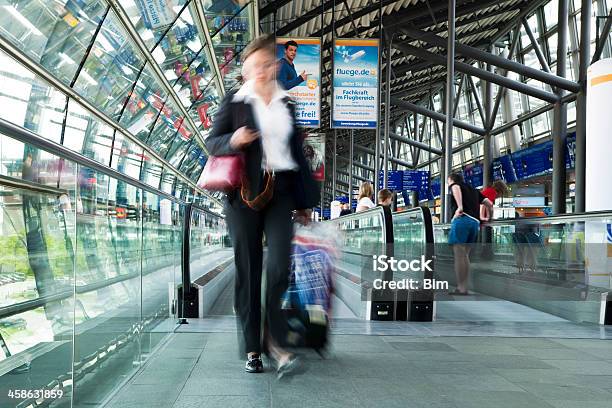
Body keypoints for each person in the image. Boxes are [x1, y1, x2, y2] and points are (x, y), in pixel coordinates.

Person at [204, 34, 319, 375]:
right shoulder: (235, 101)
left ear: (275, 65)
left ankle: (275, 339)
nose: (259, 71)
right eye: (252, 66)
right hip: (243, 194)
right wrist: (232, 140)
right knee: (249, 271)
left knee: (281, 267)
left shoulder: (287, 104)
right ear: (245, 69)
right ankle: (254, 347)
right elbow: (212, 142)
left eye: (265, 64)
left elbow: (297, 155)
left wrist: (305, 201)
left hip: (281, 191)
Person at [447, 172, 493, 295]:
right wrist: (488, 218)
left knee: (458, 255)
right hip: (475, 223)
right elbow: (489, 204)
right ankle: (464, 287)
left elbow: (455, 188)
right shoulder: (473, 190)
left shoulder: (454, 185)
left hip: (462, 220)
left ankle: (461, 288)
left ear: (451, 180)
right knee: (465, 255)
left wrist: (460, 207)